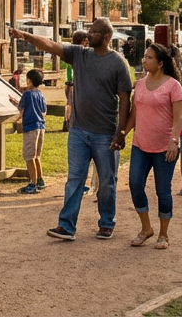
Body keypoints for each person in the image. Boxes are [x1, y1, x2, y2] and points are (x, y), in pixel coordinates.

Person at [11, 17, 132, 242]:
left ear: (106, 37)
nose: (89, 34)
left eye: (94, 32)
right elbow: (51, 45)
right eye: (89, 31)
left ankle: (106, 223)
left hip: (105, 133)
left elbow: (125, 100)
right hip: (78, 131)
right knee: (75, 179)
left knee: (107, 181)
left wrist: (121, 132)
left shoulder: (117, 63)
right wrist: (25, 36)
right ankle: (67, 225)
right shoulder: (80, 54)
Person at [120, 43, 182, 249]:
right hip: (141, 145)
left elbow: (179, 117)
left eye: (148, 57)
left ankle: (164, 235)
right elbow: (134, 115)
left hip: (165, 147)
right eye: (144, 56)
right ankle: (146, 228)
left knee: (162, 191)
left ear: (160, 63)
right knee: (135, 184)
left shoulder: (173, 85)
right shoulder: (139, 85)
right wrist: (122, 134)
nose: (144, 60)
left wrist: (174, 141)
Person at [10, 69, 48, 194]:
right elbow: (43, 112)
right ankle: (40, 180)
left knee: (28, 157)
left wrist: (17, 117)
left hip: (30, 128)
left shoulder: (27, 94)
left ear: (29, 81)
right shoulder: (41, 94)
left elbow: (21, 108)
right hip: (41, 127)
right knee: (37, 156)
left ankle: (33, 183)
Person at [63, 30, 88, 132]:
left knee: (70, 103)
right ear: (82, 41)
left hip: (69, 82)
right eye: (86, 41)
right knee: (71, 104)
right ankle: (68, 123)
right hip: (72, 83)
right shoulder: (78, 53)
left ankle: (68, 122)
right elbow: (71, 71)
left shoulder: (71, 52)